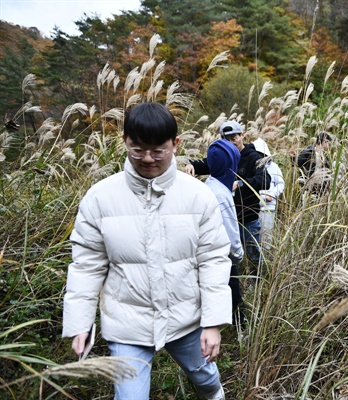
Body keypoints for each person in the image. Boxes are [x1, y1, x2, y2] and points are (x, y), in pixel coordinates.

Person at [62, 102, 231, 400]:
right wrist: (80, 324)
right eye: (137, 149)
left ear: (175, 144)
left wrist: (213, 323)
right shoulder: (100, 198)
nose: (148, 158)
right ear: (125, 141)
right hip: (127, 320)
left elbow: (213, 259)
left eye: (158, 150)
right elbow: (86, 265)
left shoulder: (199, 196)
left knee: (204, 377)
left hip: (186, 316)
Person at [185, 121, 271, 276]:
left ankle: (258, 284)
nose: (232, 141)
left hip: (248, 218)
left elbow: (265, 179)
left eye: (235, 137)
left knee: (253, 256)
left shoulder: (254, 157)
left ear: (242, 136)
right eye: (227, 138)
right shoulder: (223, 156)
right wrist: (190, 165)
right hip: (226, 218)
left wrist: (241, 183)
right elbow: (205, 164)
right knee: (229, 256)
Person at [204, 138, 246, 327]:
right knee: (233, 295)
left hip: (210, 255)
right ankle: (238, 330)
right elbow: (230, 230)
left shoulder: (210, 184)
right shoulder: (221, 195)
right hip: (223, 256)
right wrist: (238, 254)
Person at [252, 138, 285, 251]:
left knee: (266, 237)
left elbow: (280, 184)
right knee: (253, 239)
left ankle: (265, 262)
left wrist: (271, 194)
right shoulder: (252, 166)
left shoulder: (274, 167)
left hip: (268, 208)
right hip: (252, 208)